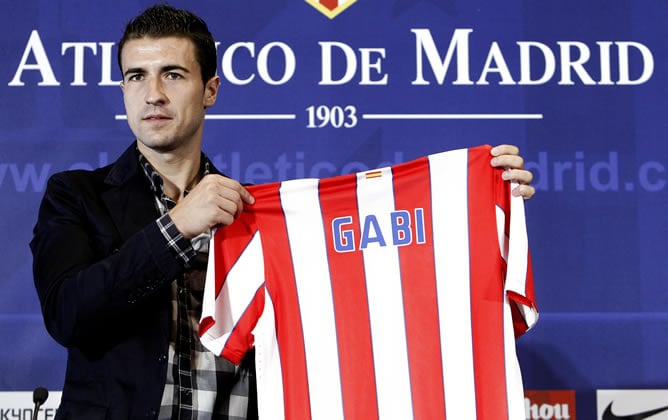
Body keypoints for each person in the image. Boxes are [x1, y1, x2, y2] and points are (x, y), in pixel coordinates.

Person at [30, 4, 535, 420]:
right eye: (136, 76)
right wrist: (179, 226)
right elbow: (69, 313)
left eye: (173, 74)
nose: (153, 94)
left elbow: (369, 266)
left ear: (210, 90)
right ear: (123, 89)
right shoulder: (76, 195)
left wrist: (474, 197)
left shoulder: (258, 215)